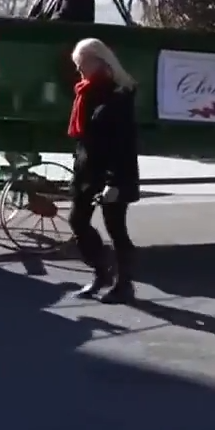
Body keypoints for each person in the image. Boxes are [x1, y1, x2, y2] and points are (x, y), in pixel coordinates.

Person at [66, 37, 141, 303]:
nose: (79, 70)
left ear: (99, 61)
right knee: (77, 221)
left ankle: (125, 285)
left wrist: (114, 183)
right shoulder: (85, 93)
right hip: (87, 173)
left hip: (113, 174)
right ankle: (101, 272)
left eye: (82, 64)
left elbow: (122, 144)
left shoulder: (118, 96)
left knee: (116, 228)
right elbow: (84, 138)